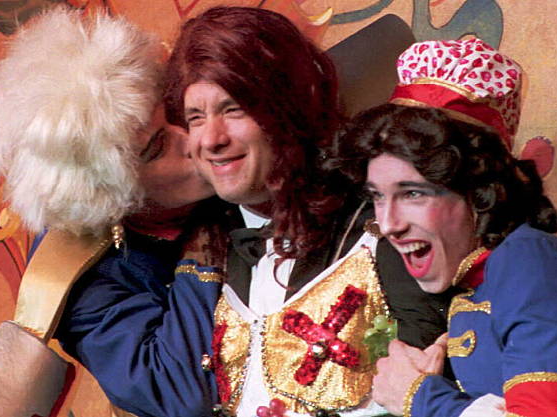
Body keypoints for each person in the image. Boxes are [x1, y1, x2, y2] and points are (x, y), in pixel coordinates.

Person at [164, 7, 458, 416]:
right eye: (196, 118)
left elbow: (433, 383)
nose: (211, 139)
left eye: (233, 109)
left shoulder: (385, 222)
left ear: (289, 107)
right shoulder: (214, 261)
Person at [0, 7, 234, 417]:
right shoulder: (74, 277)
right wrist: (207, 242)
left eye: (176, 108)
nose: (196, 136)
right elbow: (177, 394)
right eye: (157, 147)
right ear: (113, 192)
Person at [332, 38, 557, 417]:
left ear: (480, 191)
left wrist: (419, 397)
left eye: (412, 193)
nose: (388, 224)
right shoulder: (474, 287)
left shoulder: (529, 260)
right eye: (378, 197)